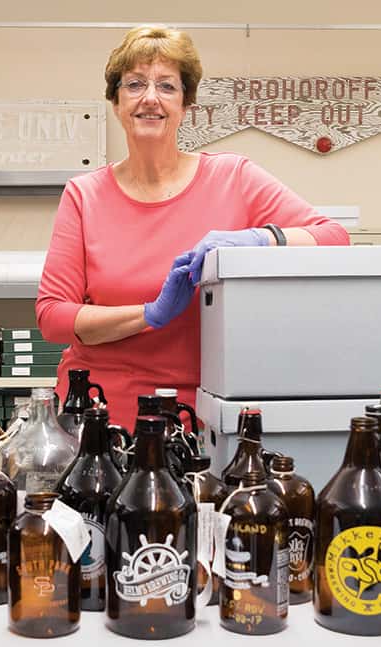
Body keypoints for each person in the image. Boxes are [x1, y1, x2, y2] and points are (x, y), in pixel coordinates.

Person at [36, 25, 349, 427]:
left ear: (186, 105)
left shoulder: (233, 178)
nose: (150, 98)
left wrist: (261, 238)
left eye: (167, 86)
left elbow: (334, 237)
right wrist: (149, 314)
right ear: (116, 102)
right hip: (96, 415)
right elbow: (53, 316)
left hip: (197, 415)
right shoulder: (85, 195)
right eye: (134, 85)